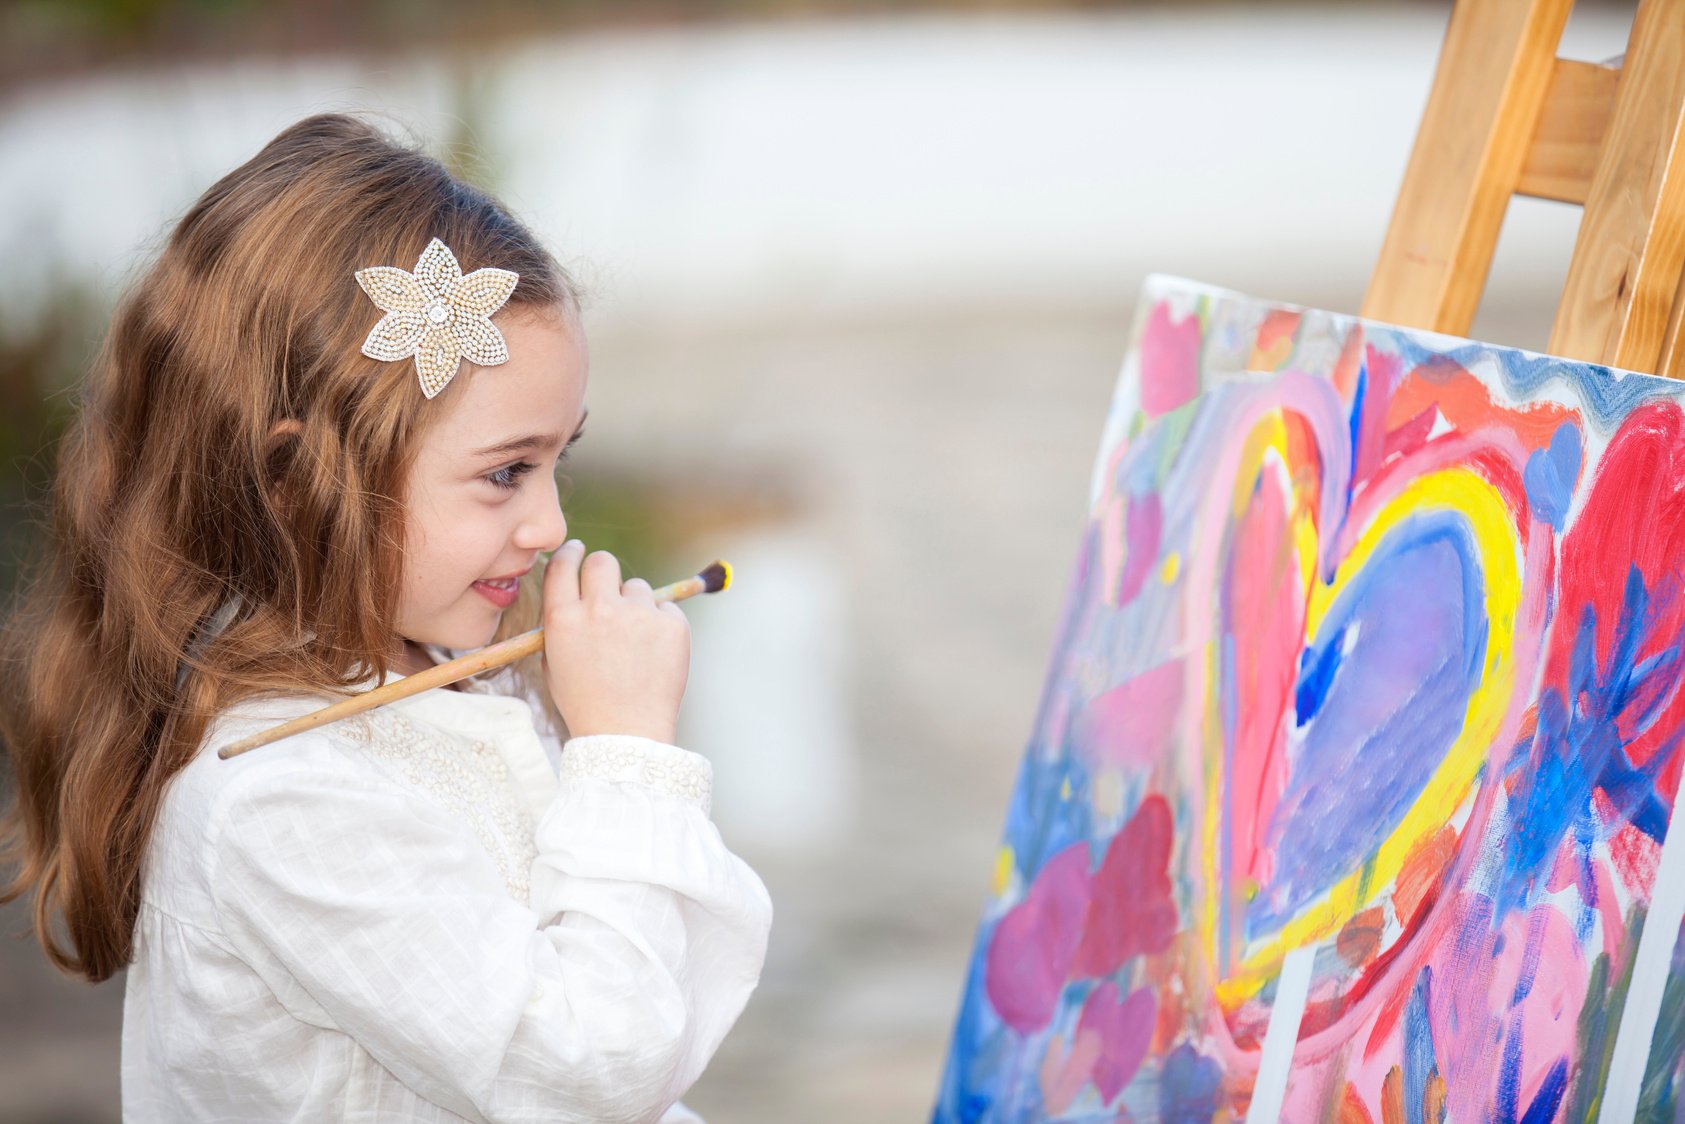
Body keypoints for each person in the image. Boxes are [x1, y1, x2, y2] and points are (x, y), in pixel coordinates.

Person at [0, 112, 772, 1123]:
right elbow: (591, 1072)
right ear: (294, 481)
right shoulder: (283, 803)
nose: (550, 523)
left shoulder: (456, 676)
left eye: (557, 461)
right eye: (504, 473)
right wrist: (625, 755)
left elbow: (666, 1015)